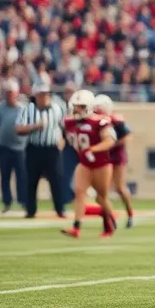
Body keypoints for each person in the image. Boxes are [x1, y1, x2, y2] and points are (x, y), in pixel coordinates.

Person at [60, 90, 117, 239]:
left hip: (102, 164)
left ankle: (110, 221)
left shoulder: (99, 121)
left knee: (101, 198)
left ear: (89, 106)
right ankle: (76, 228)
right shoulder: (70, 122)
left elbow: (110, 141)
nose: (77, 109)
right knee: (79, 193)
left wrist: (91, 149)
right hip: (85, 164)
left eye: (81, 106)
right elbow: (68, 137)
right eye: (76, 106)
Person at [16, 80, 67, 219]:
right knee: (31, 181)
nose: (44, 97)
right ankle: (30, 210)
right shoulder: (28, 109)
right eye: (41, 95)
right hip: (34, 148)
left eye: (46, 94)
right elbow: (19, 128)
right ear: (36, 96)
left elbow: (64, 126)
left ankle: (60, 209)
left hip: (52, 149)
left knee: (56, 180)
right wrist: (34, 127)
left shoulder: (58, 108)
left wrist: (62, 140)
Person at [92, 95, 135, 227]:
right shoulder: (95, 121)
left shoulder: (115, 120)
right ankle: (111, 219)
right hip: (104, 157)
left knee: (120, 188)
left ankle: (130, 214)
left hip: (116, 156)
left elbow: (128, 136)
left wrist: (112, 144)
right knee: (100, 194)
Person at [0, 79, 26, 215]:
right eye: (8, 92)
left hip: (21, 148)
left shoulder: (23, 109)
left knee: (21, 176)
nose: (10, 95)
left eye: (12, 92)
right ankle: (6, 203)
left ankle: (23, 202)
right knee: (5, 177)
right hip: (4, 147)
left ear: (17, 93)